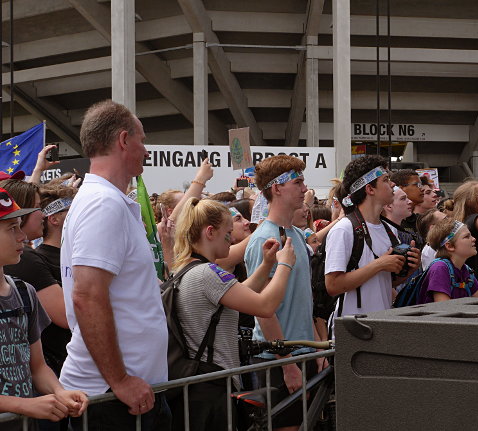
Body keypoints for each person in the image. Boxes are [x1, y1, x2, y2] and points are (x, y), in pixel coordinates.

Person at [60, 100, 171, 430]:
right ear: (123, 140)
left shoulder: (105, 200)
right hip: (113, 397)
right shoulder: (103, 203)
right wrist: (120, 380)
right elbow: (87, 296)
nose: (146, 151)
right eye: (142, 140)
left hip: (122, 392)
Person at [169, 198, 295, 431]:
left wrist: (267, 265)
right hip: (211, 385)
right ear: (210, 232)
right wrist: (285, 265)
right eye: (228, 233)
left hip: (201, 385)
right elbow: (265, 306)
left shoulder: (187, 268)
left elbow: (240, 295)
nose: (232, 239)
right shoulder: (207, 273)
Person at [0, 188, 88, 430]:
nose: (22, 237)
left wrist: (59, 391)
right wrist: (24, 405)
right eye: (11, 229)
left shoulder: (24, 292)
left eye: (20, 226)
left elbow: (37, 366)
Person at [244, 155, 318, 431]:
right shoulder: (265, 238)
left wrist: (316, 350)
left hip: (301, 354)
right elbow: (263, 308)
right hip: (276, 359)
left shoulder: (296, 235)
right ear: (277, 188)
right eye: (297, 182)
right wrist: (286, 364)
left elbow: (303, 299)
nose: (304, 188)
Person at [325, 155, 420, 318]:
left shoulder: (390, 230)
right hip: (352, 329)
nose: (393, 184)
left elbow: (384, 282)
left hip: (380, 326)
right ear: (370, 189)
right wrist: (379, 264)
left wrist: (409, 268)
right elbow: (333, 285)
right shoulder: (344, 229)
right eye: (386, 179)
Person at [417, 218, 478, 304]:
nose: (474, 239)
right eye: (466, 236)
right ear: (450, 246)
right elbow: (445, 310)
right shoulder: (440, 268)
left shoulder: (464, 269)